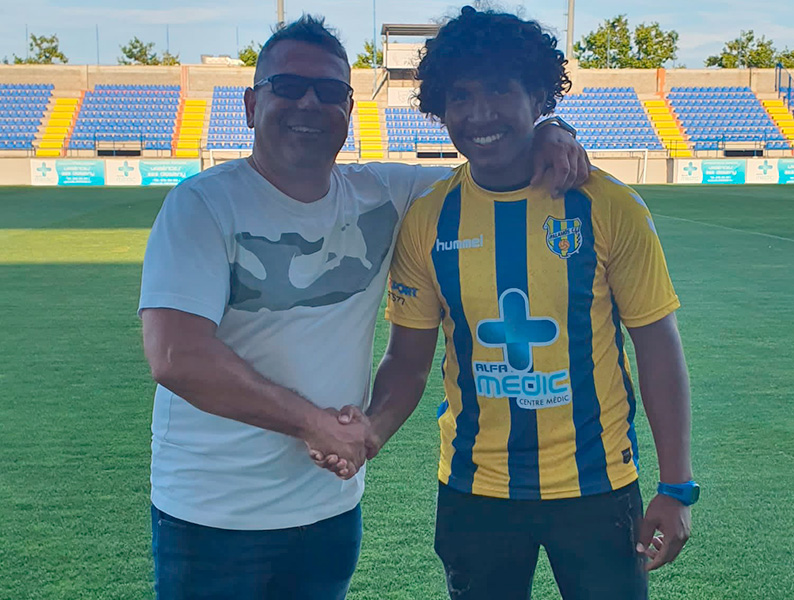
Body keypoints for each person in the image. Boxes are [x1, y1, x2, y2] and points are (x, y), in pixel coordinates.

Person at [138, 14, 589, 600]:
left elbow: (491, 157)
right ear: (252, 105)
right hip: (213, 514)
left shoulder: (387, 195)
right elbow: (177, 356)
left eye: (328, 92)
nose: (308, 103)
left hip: (329, 506)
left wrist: (553, 126)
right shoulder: (201, 205)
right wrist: (316, 423)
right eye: (287, 87)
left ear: (348, 112)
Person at [314, 7, 698, 600]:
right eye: (461, 95)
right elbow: (408, 361)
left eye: (500, 89)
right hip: (476, 488)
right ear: (439, 107)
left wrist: (675, 487)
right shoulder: (427, 218)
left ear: (540, 95)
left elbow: (658, 347)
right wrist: (370, 431)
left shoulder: (610, 208)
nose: (480, 113)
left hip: (598, 485)